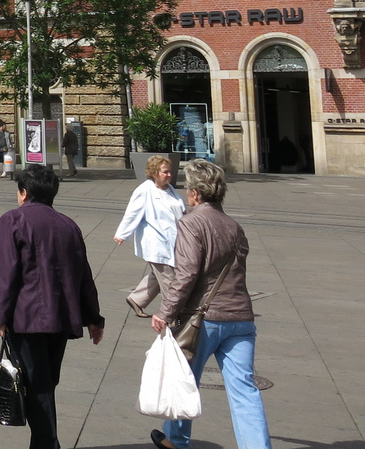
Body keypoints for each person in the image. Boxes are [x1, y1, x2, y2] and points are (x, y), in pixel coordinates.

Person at [150, 160, 271, 449]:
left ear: (194, 194)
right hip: (241, 318)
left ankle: (177, 440)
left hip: (203, 319)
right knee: (244, 390)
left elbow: (187, 272)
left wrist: (165, 312)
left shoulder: (191, 222)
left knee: (184, 378)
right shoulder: (234, 226)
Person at [0, 164, 105, 449]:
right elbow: (83, 274)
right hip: (61, 318)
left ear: (23, 193)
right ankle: (45, 441)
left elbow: (5, 272)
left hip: (26, 318)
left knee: (38, 388)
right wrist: (93, 318)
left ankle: (47, 443)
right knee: (46, 383)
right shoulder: (68, 225)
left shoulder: (12, 221)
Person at [114, 154, 185, 318]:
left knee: (159, 275)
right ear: (154, 173)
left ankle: (136, 299)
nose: (169, 175)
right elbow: (132, 213)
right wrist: (122, 234)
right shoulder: (145, 190)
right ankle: (171, 315)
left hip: (173, 241)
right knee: (170, 279)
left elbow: (180, 211)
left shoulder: (170, 189)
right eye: (165, 172)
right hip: (156, 242)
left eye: (169, 172)